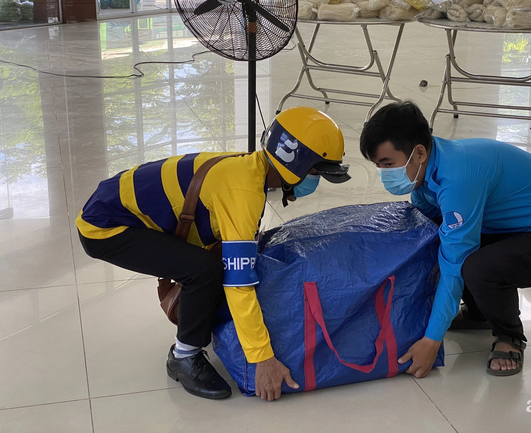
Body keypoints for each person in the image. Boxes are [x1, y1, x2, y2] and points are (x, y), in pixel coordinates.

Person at [77, 107, 350, 400]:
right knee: (204, 270)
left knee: (217, 260)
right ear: (295, 163)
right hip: (106, 226)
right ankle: (183, 357)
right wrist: (262, 357)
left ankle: (198, 323)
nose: (316, 180)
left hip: (113, 204)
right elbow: (238, 283)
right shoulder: (243, 192)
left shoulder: (249, 168)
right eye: (316, 171)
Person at [360, 101, 531, 377]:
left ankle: (510, 336)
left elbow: (454, 261)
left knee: (475, 266)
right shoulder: (426, 174)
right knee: (439, 238)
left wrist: (432, 339)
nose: (384, 173)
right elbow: (422, 229)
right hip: (519, 230)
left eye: (388, 164)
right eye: (378, 165)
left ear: (419, 152)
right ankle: (478, 312)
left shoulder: (458, 177)